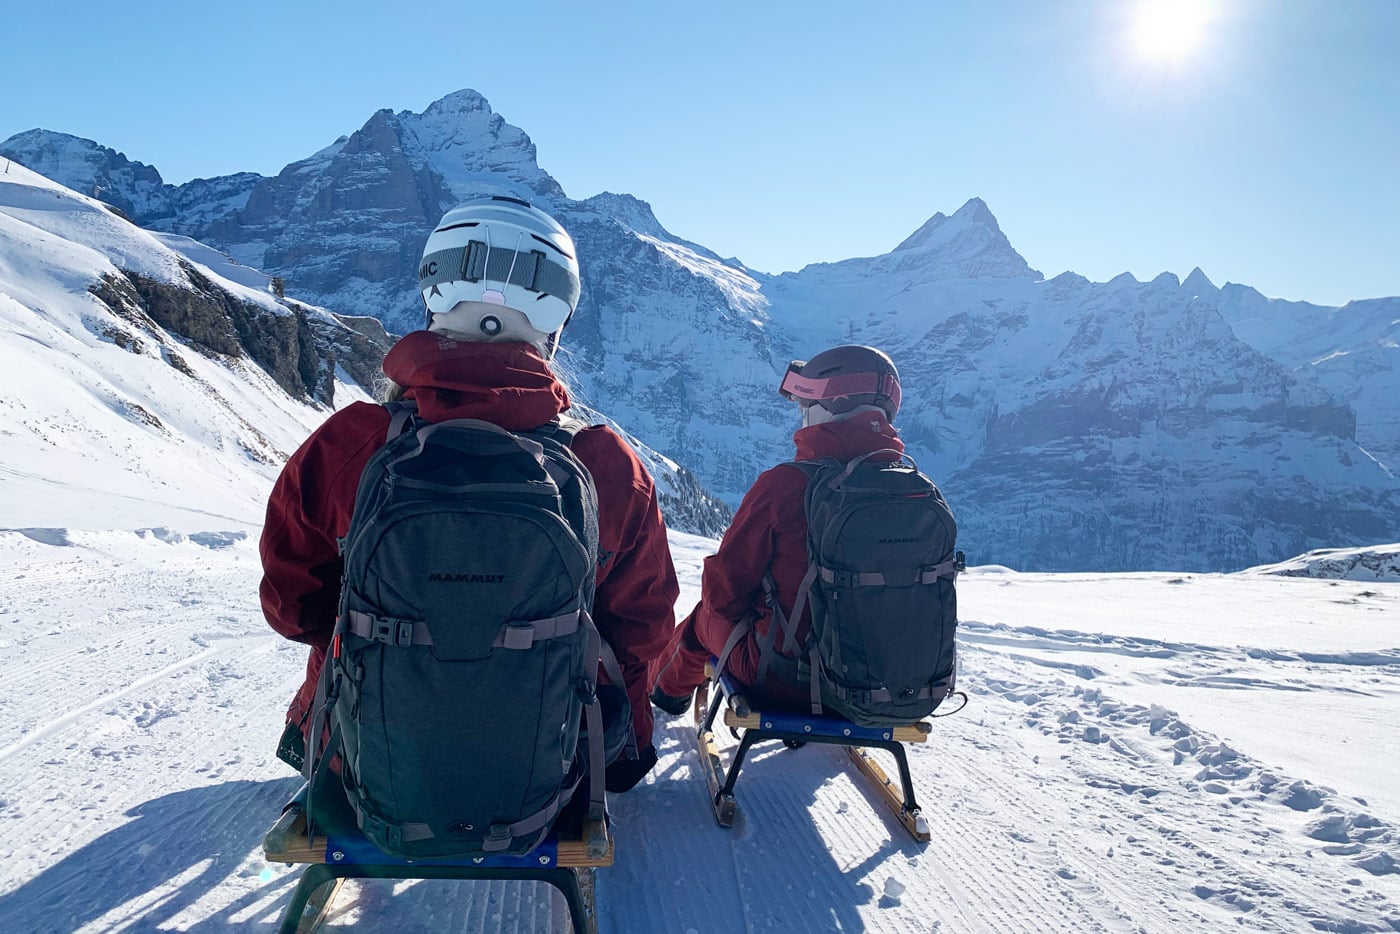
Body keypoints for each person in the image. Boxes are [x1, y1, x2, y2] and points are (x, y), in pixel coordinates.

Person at [261, 196, 679, 801]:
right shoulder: (606, 466)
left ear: (434, 293)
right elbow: (642, 633)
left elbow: (291, 609)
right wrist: (621, 751)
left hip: (355, 759)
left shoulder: (352, 444)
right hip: (554, 767)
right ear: (558, 318)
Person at [650, 345, 905, 714]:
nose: (802, 418)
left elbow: (723, 596)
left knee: (701, 621)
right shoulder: (914, 490)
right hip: (888, 688)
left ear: (827, 408)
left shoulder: (786, 485)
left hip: (788, 681)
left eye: (805, 407)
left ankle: (664, 695)